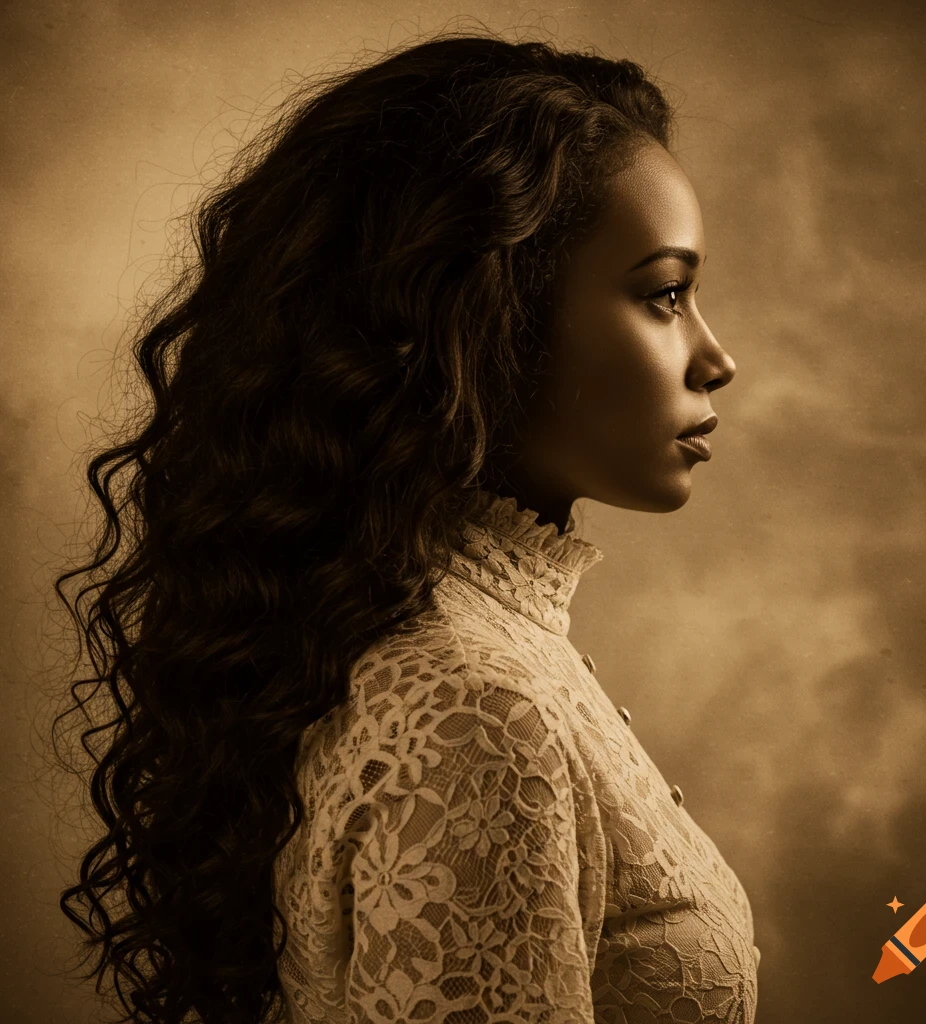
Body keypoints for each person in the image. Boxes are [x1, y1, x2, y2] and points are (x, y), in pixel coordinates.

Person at [53, 29, 756, 1024]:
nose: (713, 356)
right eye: (664, 295)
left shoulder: (464, 643)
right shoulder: (474, 704)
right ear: (484, 316)